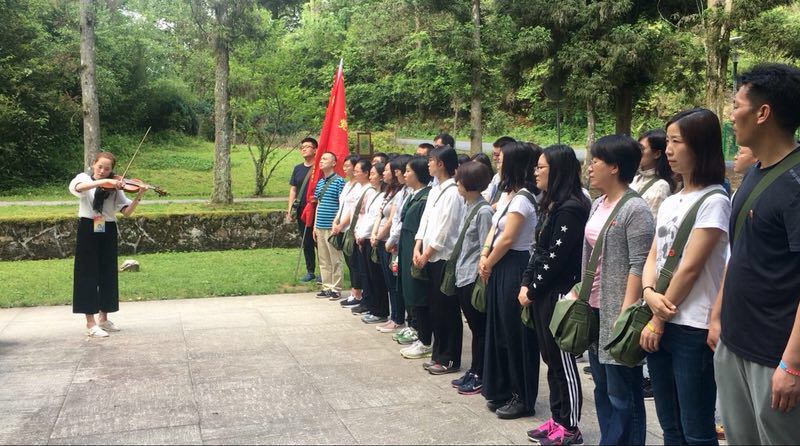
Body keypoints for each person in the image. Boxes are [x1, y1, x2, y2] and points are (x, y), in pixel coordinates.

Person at [708, 63, 800, 445]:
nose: (730, 116)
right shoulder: (753, 174)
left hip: (775, 356)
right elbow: (741, 251)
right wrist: (717, 315)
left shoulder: (795, 183)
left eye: (736, 106)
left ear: (763, 113)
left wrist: (792, 364)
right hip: (734, 343)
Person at [640, 108, 730, 445]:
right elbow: (653, 254)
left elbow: (691, 268)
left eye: (677, 142)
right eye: (668, 142)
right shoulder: (672, 200)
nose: (669, 150)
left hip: (692, 326)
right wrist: (648, 292)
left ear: (700, 145)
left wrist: (657, 318)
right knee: (670, 426)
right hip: (659, 318)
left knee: (696, 429)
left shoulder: (715, 200)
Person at [584, 135, 654, 445]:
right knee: (602, 388)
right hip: (595, 308)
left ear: (614, 167)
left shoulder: (635, 209)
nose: (589, 167)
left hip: (617, 312)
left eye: (596, 161)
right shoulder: (597, 203)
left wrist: (625, 315)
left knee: (623, 393)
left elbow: (639, 264)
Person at [519, 144, 590, 444]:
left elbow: (555, 258)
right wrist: (527, 283)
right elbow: (538, 250)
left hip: (560, 294)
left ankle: (570, 426)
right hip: (543, 293)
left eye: (541, 167)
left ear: (557, 170)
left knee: (563, 362)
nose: (535, 172)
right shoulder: (552, 205)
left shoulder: (571, 208)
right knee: (550, 359)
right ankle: (557, 418)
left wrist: (533, 289)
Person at [481, 142, 540, 420]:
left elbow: (508, 238)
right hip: (498, 262)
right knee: (500, 329)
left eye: (502, 159)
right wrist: (485, 255)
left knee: (515, 333)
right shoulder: (509, 195)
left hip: (515, 265)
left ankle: (522, 396)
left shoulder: (524, 199)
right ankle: (502, 388)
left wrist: (488, 261)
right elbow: (495, 228)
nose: (498, 162)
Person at [69, 151, 147, 337]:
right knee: (87, 272)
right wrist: (104, 182)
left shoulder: (116, 186)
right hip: (88, 226)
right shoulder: (83, 178)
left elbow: (126, 212)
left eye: (107, 169)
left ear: (112, 169)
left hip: (107, 227)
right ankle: (90, 323)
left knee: (108, 272)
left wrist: (139, 195)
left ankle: (103, 319)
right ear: (93, 164)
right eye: (100, 167)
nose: (102, 171)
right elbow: (79, 188)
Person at [405, 146, 464, 368]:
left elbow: (446, 229)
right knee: (435, 308)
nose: (428, 164)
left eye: (431, 160)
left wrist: (428, 252)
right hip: (428, 255)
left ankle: (448, 357)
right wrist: (417, 246)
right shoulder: (435, 190)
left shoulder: (452, 192)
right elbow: (426, 221)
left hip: (443, 257)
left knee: (446, 309)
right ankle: (438, 355)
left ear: (441, 164)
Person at [448, 161, 494, 395]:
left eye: (460, 181)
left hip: (473, 278)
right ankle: (475, 370)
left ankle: (481, 374)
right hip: (462, 274)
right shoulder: (469, 206)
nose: (457, 184)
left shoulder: (484, 211)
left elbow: (486, 245)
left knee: (480, 329)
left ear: (469, 183)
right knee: (475, 329)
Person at [396, 157, 432, 346]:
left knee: (418, 292)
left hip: (416, 250)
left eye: (408, 171)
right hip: (406, 247)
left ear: (418, 174)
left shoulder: (425, 198)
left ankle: (422, 333)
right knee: (408, 290)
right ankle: (413, 326)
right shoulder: (412, 195)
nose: (405, 174)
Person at [353, 162, 388, 323]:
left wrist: (366, 234)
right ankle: (373, 307)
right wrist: (359, 233)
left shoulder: (383, 195)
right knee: (368, 275)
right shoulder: (374, 194)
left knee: (376, 276)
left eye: (373, 174)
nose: (371, 176)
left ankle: (379, 310)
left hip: (371, 238)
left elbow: (375, 218)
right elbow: (366, 216)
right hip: (365, 237)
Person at [372, 159, 404, 331]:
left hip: (390, 241)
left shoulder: (400, 193)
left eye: (387, 170)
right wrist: (375, 235)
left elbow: (392, 220)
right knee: (389, 283)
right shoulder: (389, 192)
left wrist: (379, 237)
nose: (383, 173)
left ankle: (398, 318)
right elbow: (380, 215)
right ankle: (394, 316)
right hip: (382, 239)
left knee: (394, 283)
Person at [311, 152, 346, 299]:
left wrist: (337, 224)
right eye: (321, 159)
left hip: (332, 227)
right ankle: (326, 286)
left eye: (325, 159)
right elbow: (318, 204)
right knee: (323, 258)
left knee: (335, 259)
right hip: (320, 225)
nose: (321, 161)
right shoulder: (320, 182)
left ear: (334, 163)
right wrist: (314, 225)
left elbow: (342, 204)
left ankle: (336, 288)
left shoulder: (339, 182)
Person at [384, 155, 413, 333]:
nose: (397, 175)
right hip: (394, 240)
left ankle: (402, 319)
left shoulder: (412, 193)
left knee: (402, 286)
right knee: (393, 284)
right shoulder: (402, 192)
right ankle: (396, 316)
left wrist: (392, 239)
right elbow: (396, 218)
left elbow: (401, 220)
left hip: (401, 241)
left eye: (398, 171)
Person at [340, 159, 373, 310]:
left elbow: (367, 214)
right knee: (353, 264)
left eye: (357, 171)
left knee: (361, 268)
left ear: (366, 173)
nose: (355, 173)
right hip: (354, 230)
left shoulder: (369, 190)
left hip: (361, 232)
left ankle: (361, 296)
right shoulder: (358, 187)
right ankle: (358, 295)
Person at [333, 155, 363, 305]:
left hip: (350, 228)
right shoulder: (347, 185)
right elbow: (342, 206)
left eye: (348, 166)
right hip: (342, 227)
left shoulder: (359, 187)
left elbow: (353, 210)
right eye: (343, 166)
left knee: (354, 262)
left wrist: (341, 225)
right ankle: (354, 291)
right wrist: (335, 221)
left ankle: (357, 293)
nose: (345, 169)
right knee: (349, 262)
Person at [287, 137, 318, 282]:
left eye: (307, 146)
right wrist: (290, 209)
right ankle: (310, 271)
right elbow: (293, 189)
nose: (304, 149)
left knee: (319, 241)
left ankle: (325, 271)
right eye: (302, 147)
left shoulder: (318, 169)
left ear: (315, 150)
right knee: (306, 241)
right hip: (301, 209)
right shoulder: (297, 169)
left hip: (315, 209)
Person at [632, 129, 674, 217]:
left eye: (642, 149)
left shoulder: (661, 186)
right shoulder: (635, 179)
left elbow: (653, 220)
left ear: (657, 154)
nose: (637, 152)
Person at [483, 136, 516, 206]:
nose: (494, 158)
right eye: (493, 154)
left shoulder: (514, 183)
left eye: (498, 155)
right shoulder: (496, 177)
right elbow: (488, 196)